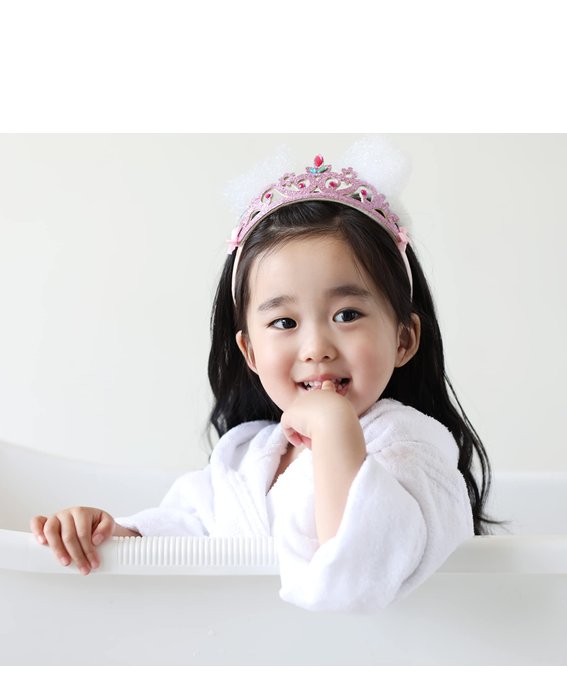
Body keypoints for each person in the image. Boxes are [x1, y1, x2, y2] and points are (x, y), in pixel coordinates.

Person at [30, 151, 502, 613]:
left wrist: (334, 425)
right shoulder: (244, 455)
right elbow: (184, 531)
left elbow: (358, 578)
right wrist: (113, 535)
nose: (316, 347)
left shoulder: (413, 449)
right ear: (250, 352)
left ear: (404, 338)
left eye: (347, 314)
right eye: (284, 322)